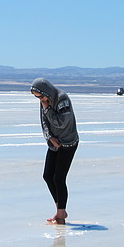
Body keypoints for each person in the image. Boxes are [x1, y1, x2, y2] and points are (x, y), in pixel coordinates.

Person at [30, 78, 79, 225]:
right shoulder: (45, 101)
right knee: (47, 175)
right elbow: (44, 121)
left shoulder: (61, 99)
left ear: (46, 91)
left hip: (68, 143)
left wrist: (47, 109)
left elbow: (60, 122)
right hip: (54, 142)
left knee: (59, 178)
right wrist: (50, 137)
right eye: (36, 97)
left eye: (40, 96)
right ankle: (60, 209)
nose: (40, 100)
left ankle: (61, 213)